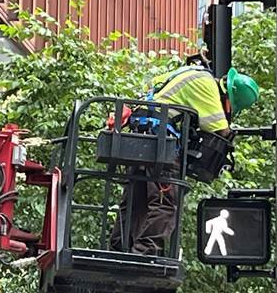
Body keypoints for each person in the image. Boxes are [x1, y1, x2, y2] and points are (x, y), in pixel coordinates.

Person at [109, 66, 259, 255]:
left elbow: (151, 86)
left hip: (141, 138)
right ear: (229, 100)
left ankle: (118, 249)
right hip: (160, 145)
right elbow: (222, 131)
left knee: (135, 201)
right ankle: (144, 254)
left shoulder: (186, 73)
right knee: (165, 203)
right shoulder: (207, 86)